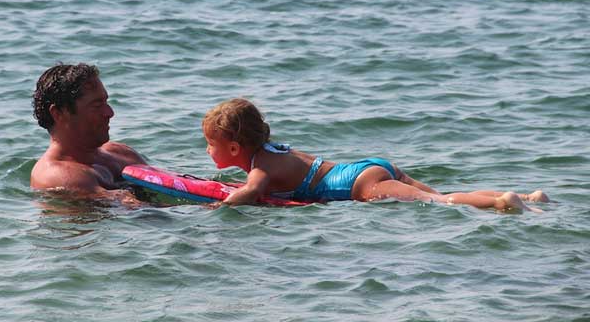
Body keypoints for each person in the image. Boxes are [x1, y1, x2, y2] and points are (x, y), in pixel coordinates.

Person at [202, 98, 549, 212]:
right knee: (438, 195)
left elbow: (250, 192)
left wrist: (219, 207)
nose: (207, 149)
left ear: (234, 148)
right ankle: (525, 198)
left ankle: (500, 204)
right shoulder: (273, 151)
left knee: (439, 203)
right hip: (366, 167)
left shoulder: (259, 168)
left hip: (357, 186)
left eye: (210, 143)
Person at [31, 63, 148, 204]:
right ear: (59, 113)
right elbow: (135, 211)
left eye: (106, 102)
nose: (110, 113)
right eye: (97, 106)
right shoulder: (56, 175)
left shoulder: (122, 153)